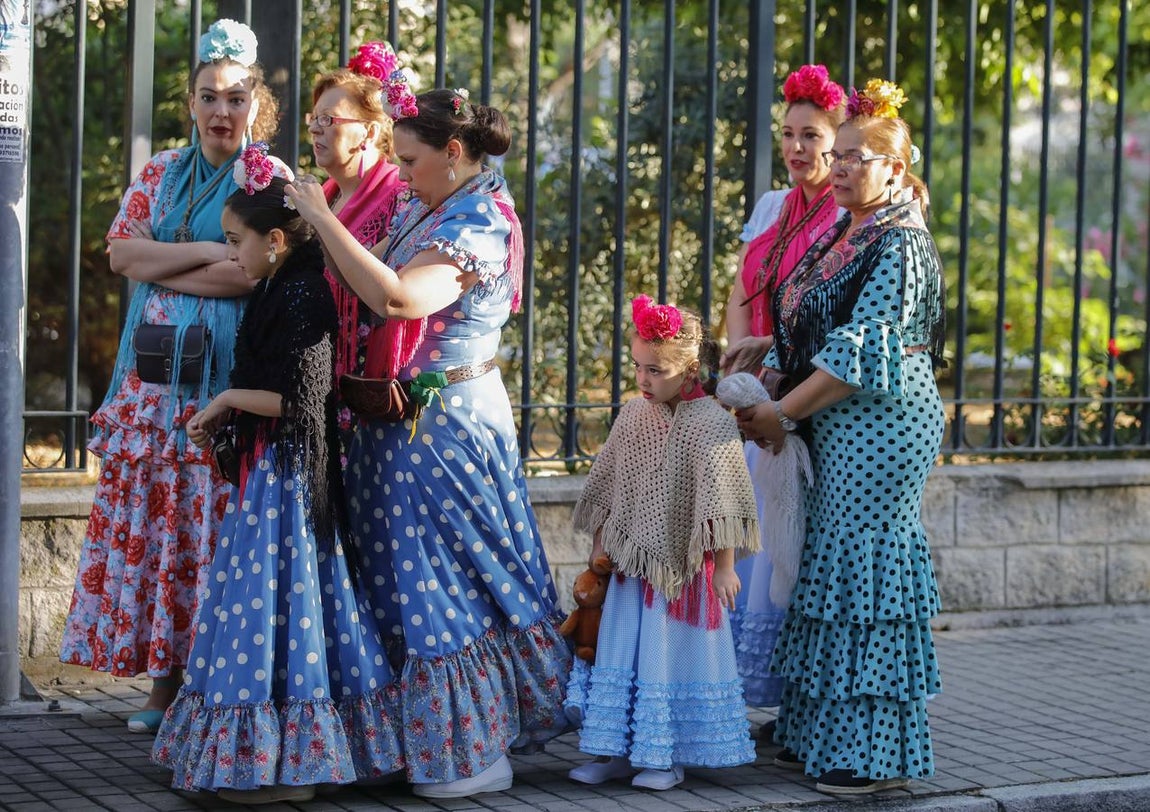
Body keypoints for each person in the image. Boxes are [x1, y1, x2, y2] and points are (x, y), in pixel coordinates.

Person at [285, 87, 572, 800]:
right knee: (404, 582)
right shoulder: (427, 202)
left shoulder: (479, 219)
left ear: (454, 152)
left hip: (446, 427)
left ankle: (473, 755)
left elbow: (401, 298)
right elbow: (363, 271)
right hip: (398, 423)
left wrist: (321, 213)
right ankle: (424, 741)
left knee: (443, 582)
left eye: (410, 160)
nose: (399, 173)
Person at [150, 162, 400, 805]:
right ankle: (278, 757)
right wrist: (226, 422)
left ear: (277, 240)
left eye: (236, 240)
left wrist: (229, 399)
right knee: (278, 610)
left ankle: (285, 768)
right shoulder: (273, 287)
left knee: (278, 607)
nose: (230, 251)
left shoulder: (301, 293)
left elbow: (304, 400)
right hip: (270, 469)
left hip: (290, 476)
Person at [58, 19, 279, 733]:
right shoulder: (160, 173)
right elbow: (122, 257)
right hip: (154, 390)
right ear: (191, 102)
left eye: (236, 97)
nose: (222, 111)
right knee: (166, 531)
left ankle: (210, 688)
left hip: (225, 387)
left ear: (256, 104)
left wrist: (175, 254)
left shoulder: (270, 181)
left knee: (214, 534)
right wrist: (212, 248)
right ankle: (161, 688)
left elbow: (252, 277)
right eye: (210, 96)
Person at [735, 79, 946, 796]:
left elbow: (864, 350)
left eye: (860, 157)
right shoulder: (843, 227)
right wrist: (768, 347)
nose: (846, 167)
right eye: (844, 155)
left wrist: (784, 412)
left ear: (896, 168)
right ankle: (816, 730)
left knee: (864, 576)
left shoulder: (902, 239)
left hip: (881, 423)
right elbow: (816, 314)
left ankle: (874, 755)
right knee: (825, 570)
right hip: (833, 418)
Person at [564, 295, 760, 792]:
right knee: (619, 652)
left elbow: (723, 505)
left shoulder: (711, 422)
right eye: (637, 367)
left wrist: (724, 567)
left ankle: (664, 755)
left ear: (691, 368)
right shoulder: (634, 416)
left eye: (656, 370)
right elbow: (610, 484)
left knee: (663, 656)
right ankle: (613, 750)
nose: (643, 380)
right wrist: (601, 543)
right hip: (631, 568)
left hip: (683, 574)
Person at [720, 63, 846, 724]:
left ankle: (801, 697)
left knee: (794, 546)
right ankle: (760, 696)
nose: (798, 148)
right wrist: (741, 368)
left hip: (804, 389)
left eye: (812, 136)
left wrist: (774, 364)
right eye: (789, 134)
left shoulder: (847, 217)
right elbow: (741, 292)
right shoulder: (773, 207)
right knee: (757, 542)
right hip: (759, 388)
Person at [306, 41, 407, 454]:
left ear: (368, 130)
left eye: (328, 119)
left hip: (372, 388)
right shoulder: (324, 197)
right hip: (322, 380)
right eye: (314, 118)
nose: (314, 128)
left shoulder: (401, 194)